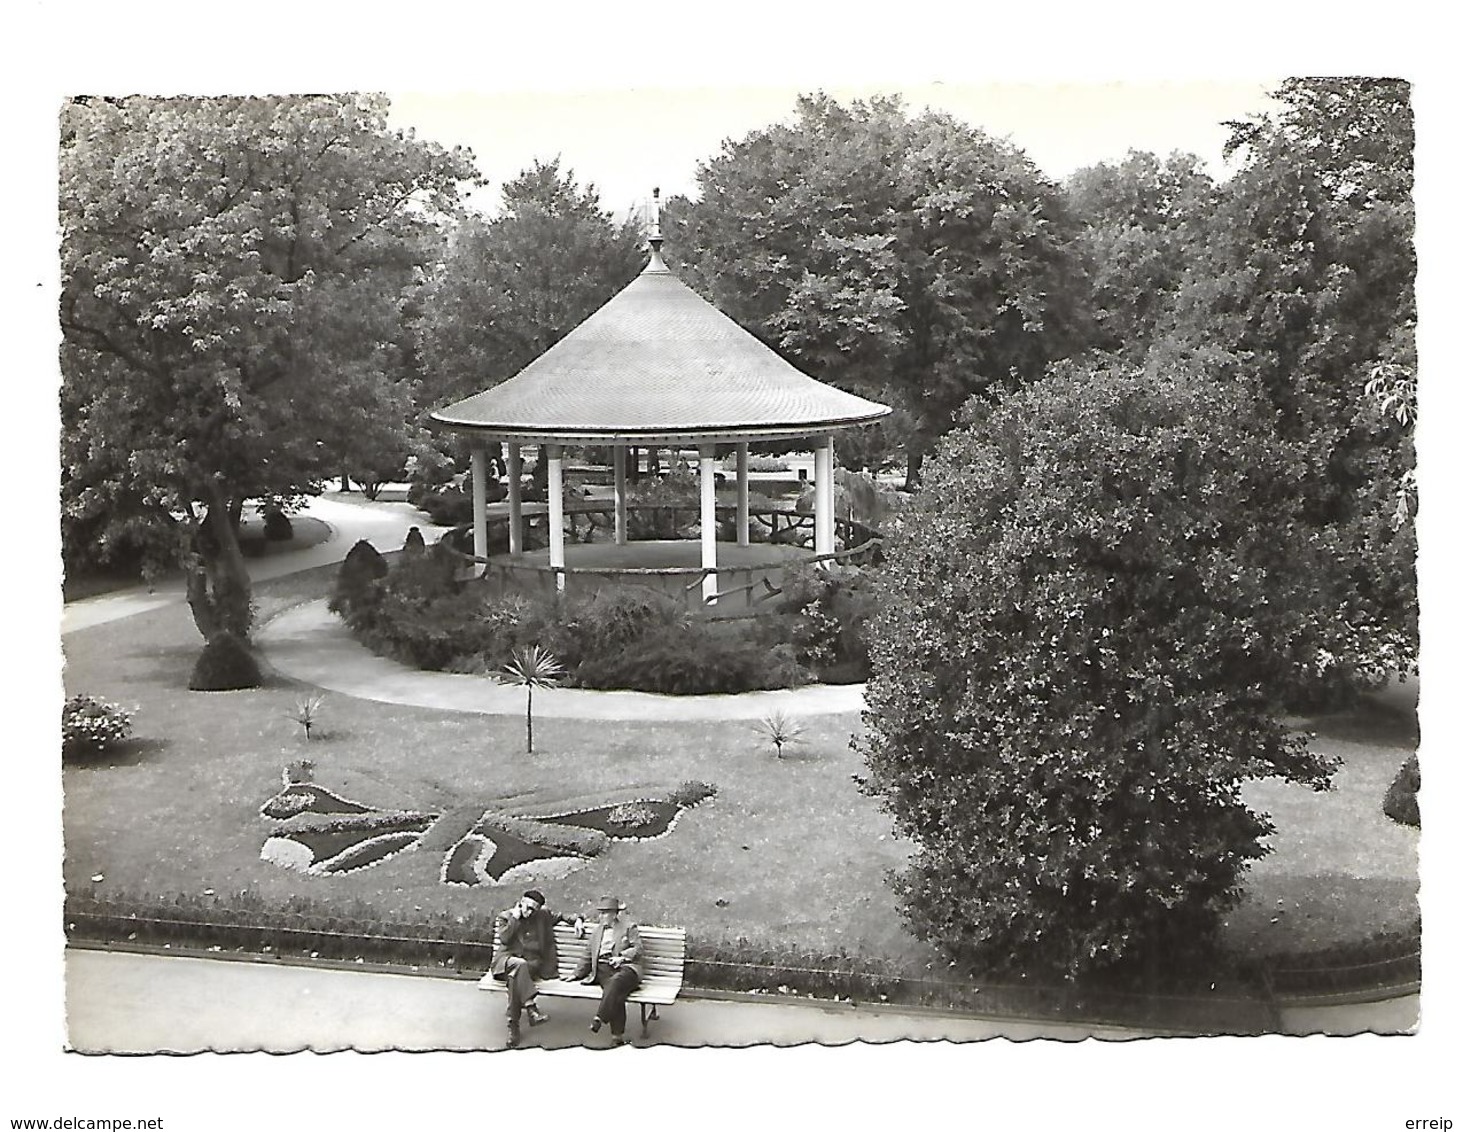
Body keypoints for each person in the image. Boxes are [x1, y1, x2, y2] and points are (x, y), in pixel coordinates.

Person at [489, 888, 583, 1049]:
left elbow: (561, 916)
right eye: (527, 907)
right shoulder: (506, 916)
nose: (529, 912)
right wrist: (515, 919)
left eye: (534, 909)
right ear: (520, 903)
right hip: (505, 962)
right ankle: (531, 1008)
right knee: (517, 967)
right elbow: (504, 939)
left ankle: (514, 1027)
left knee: (516, 976)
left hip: (531, 965)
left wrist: (578, 920)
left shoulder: (542, 915)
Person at [569, 895, 642, 1047]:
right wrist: (576, 974)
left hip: (626, 967)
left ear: (615, 914)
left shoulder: (629, 927)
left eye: (605, 913)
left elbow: (638, 949)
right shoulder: (597, 932)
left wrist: (621, 957)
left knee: (615, 983)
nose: (601, 916)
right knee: (616, 991)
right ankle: (617, 1037)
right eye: (600, 913)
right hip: (603, 968)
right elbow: (588, 955)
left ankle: (600, 1017)